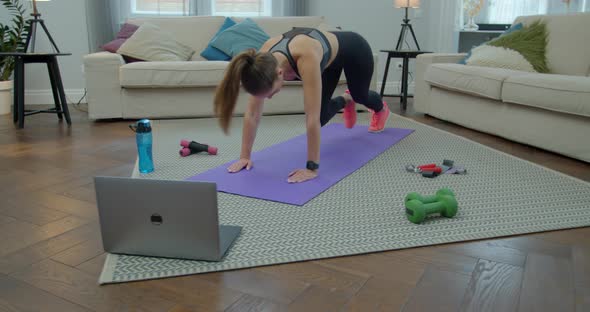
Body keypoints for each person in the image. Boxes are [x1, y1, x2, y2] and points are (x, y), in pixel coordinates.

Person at [213, 27, 391, 184]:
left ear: (280, 73)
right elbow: (252, 114)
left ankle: (380, 108)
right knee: (321, 118)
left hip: (354, 50)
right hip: (326, 61)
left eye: (271, 93)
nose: (269, 99)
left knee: (360, 94)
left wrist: (311, 168)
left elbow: (310, 117)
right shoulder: (260, 65)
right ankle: (346, 99)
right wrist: (245, 157)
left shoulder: (305, 57)